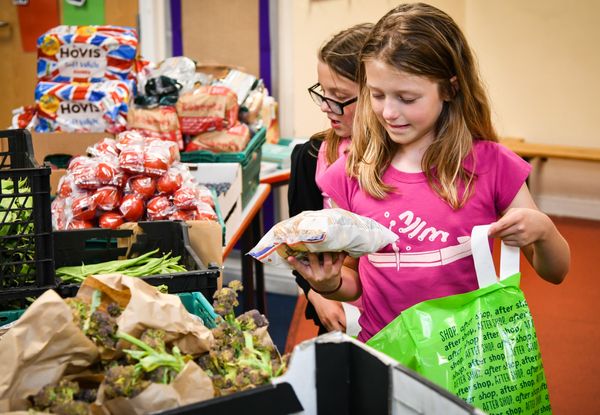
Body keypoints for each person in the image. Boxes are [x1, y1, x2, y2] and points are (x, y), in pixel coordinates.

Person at [287, 3, 570, 343]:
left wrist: (544, 232)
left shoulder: (493, 166)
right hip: (383, 350)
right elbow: (355, 282)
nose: (389, 112)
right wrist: (328, 285)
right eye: (377, 95)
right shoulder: (349, 173)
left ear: (450, 88)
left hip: (467, 359)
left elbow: (555, 271)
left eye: (407, 98)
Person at [288, 23, 373, 334]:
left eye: (339, 96)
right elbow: (297, 245)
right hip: (340, 312)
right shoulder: (311, 157)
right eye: (322, 92)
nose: (326, 107)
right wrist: (316, 293)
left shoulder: (405, 161)